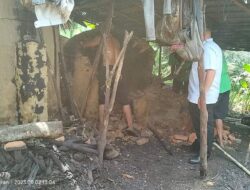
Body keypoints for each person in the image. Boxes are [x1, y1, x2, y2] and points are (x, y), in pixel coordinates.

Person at [81, 34, 139, 137]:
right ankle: (130, 127)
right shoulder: (116, 40)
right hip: (118, 70)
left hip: (106, 69)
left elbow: (89, 44)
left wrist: (83, 43)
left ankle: (103, 127)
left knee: (102, 100)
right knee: (125, 101)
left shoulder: (102, 37)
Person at [187, 28, 222, 164]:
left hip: (203, 95)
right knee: (199, 123)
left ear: (202, 33)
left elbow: (211, 72)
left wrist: (203, 95)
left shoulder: (208, 48)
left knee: (204, 124)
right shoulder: (210, 47)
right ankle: (199, 145)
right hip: (199, 94)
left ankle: (204, 153)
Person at [214, 53, 231, 148]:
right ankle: (220, 141)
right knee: (218, 116)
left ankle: (209, 138)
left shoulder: (213, 55)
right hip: (226, 87)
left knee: (211, 114)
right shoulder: (220, 54)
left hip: (218, 89)